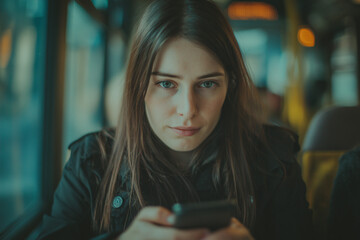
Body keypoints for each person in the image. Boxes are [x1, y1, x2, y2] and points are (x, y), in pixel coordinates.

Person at [34, 0, 312, 239]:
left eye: (207, 85)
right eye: (167, 84)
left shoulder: (274, 162)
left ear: (231, 86)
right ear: (138, 86)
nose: (187, 109)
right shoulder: (92, 162)